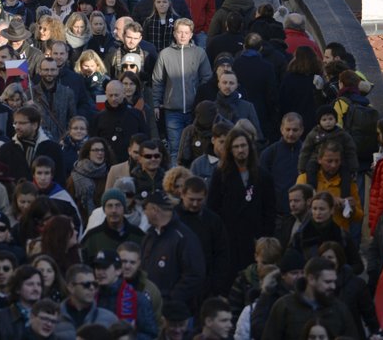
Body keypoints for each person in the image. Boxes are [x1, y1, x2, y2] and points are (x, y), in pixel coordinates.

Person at [207, 128, 276, 282]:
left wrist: (263, 237)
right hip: (229, 240)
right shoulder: (220, 175)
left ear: (249, 147)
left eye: (243, 146)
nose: (240, 150)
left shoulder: (263, 176)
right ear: (230, 150)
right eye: (236, 147)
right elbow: (212, 207)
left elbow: (270, 211)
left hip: (254, 240)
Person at [151, 19, 212, 165]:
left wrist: (200, 99)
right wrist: (156, 103)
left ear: (191, 34)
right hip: (173, 110)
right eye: (180, 32)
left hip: (194, 110)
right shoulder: (165, 54)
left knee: (196, 148)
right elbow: (158, 80)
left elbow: (207, 78)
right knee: (175, 149)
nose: (183, 36)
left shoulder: (200, 53)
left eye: (186, 32)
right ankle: (175, 182)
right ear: (174, 33)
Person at [261, 257, 358, 340]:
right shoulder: (284, 306)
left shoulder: (340, 309)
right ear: (311, 279)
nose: (333, 286)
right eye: (327, 282)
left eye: (334, 282)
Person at [140, 190, 205, 309]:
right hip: (149, 307)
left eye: (145, 209)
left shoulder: (184, 237)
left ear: (154, 210)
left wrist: (171, 300)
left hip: (175, 313)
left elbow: (194, 275)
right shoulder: (149, 237)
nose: (144, 213)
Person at [54, 264, 117, 340]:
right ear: (71, 287)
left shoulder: (109, 318)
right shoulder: (53, 317)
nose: (92, 288)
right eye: (86, 285)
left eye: (94, 284)